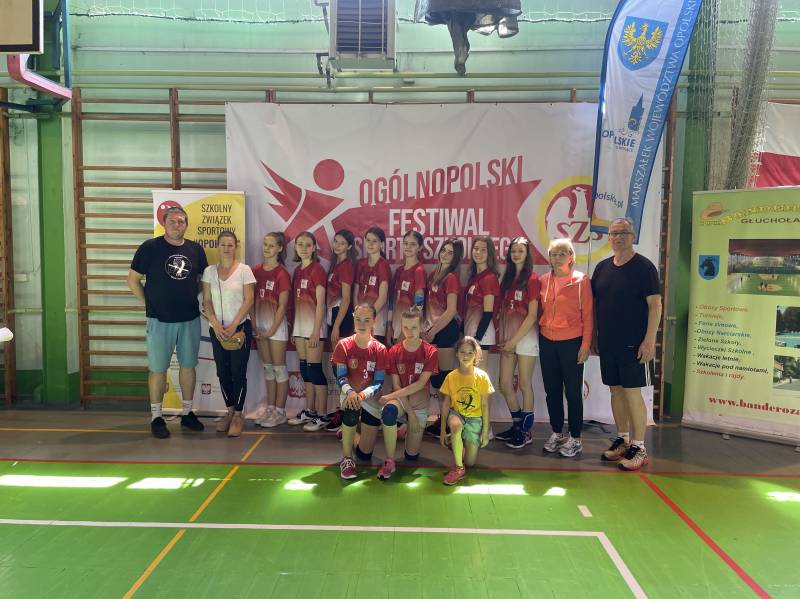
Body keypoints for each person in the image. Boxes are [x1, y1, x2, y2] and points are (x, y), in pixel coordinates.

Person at [128, 205, 207, 439]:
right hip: (159, 320)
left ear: (186, 225)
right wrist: (149, 304)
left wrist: (191, 296)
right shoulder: (149, 248)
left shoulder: (196, 250)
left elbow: (202, 280)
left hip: (189, 318)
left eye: (181, 221)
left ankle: (187, 413)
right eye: (172, 221)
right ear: (164, 223)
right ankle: (156, 417)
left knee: (188, 366)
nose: (177, 225)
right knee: (157, 370)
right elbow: (133, 280)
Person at [591, 217, 661, 471]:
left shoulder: (644, 268)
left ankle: (639, 448)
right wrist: (595, 337)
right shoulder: (601, 268)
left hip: (635, 345)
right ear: (608, 237)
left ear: (633, 236)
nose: (618, 237)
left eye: (623, 233)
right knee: (616, 391)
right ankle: (623, 440)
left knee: (632, 392)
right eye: (614, 233)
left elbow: (655, 305)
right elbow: (596, 306)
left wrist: (649, 340)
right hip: (609, 344)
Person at [538, 238, 593, 457]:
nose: (557, 257)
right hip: (546, 341)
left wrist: (585, 344)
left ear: (571, 256)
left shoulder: (581, 281)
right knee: (552, 390)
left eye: (562, 253)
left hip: (572, 342)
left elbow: (588, 316)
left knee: (572, 392)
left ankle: (575, 437)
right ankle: (557, 432)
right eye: (553, 254)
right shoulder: (543, 280)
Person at [201, 231, 256, 437]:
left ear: (236, 247)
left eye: (230, 245)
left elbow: (249, 300)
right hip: (217, 330)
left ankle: (239, 415)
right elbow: (207, 300)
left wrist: (234, 325)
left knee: (237, 372)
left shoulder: (244, 270)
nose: (226, 248)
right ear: (218, 246)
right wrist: (215, 323)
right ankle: (230, 411)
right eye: (223, 244)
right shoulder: (209, 272)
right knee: (222, 372)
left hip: (239, 329)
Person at [378, 309, 439, 479]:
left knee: (411, 457)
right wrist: (409, 413)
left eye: (414, 327)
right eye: (405, 327)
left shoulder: (430, 352)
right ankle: (389, 461)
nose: (409, 332)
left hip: (419, 404)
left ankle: (405, 428)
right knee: (388, 412)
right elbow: (396, 385)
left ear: (421, 327)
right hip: (400, 400)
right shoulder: (394, 351)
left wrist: (390, 397)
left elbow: (420, 384)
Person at [332, 303, 388, 479]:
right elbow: (341, 377)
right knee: (351, 406)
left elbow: (379, 382)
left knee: (365, 454)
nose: (362, 324)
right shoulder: (343, 345)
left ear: (374, 321)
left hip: (369, 396)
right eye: (358, 319)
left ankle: (347, 433)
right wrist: (350, 392)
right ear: (353, 319)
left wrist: (363, 394)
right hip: (350, 393)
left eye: (367, 320)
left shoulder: (380, 349)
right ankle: (347, 459)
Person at [496, 236, 541, 449]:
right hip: (508, 338)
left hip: (526, 338)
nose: (516, 254)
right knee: (505, 383)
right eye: (513, 251)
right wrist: (505, 338)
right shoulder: (507, 279)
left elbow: (532, 315)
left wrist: (514, 340)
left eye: (520, 251)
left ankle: (526, 431)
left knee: (524, 384)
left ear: (527, 254)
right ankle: (517, 425)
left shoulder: (532, 279)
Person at [288, 231, 329, 432]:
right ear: (295, 247)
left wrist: (316, 331)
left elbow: (321, 303)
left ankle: (322, 415)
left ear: (314, 248)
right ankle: (309, 411)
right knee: (305, 370)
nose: (303, 248)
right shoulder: (297, 270)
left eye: (307, 245)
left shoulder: (317, 270)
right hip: (300, 327)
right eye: (300, 244)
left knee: (315, 370)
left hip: (314, 328)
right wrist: (294, 329)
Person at [422, 239, 464, 435]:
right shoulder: (434, 275)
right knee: (437, 379)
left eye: (450, 253)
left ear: (456, 258)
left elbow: (450, 311)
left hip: (445, 331)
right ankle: (442, 420)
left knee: (443, 380)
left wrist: (432, 332)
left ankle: (449, 423)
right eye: (444, 250)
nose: (445, 255)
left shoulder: (451, 277)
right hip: (432, 331)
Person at [439, 336, 493, 485]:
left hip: (475, 420)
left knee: (470, 462)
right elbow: (446, 404)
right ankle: (458, 468)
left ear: (476, 355)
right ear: (457, 353)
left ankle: (458, 444)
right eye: (462, 352)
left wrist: (485, 432)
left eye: (470, 352)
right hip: (457, 415)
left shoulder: (482, 377)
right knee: (456, 425)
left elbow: (485, 406)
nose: (466, 356)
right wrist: (442, 430)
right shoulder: (451, 377)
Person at [252, 232, 291, 428]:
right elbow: (249, 301)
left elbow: (282, 306)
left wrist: (271, 330)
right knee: (268, 368)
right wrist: (254, 325)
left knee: (279, 368)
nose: (267, 248)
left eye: (271, 245)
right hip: (259, 327)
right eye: (265, 244)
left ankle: (280, 411)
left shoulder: (282, 274)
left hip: (276, 328)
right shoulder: (255, 271)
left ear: (280, 248)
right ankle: (270, 407)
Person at [387, 230, 427, 345]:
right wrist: (389, 326)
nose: (408, 247)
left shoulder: (419, 271)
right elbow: (392, 302)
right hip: (395, 328)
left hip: (409, 332)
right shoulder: (399, 271)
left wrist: (404, 331)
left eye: (413, 244)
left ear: (420, 247)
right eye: (406, 243)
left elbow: (419, 305)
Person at [353, 227, 392, 345]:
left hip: (376, 321)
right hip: (360, 320)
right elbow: (355, 293)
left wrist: (369, 316)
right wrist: (358, 315)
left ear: (382, 244)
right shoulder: (360, 264)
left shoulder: (383, 265)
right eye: (368, 240)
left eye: (374, 241)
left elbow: (383, 298)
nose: (370, 244)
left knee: (374, 354)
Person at [462, 235, 500, 350]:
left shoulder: (489, 278)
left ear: (489, 254)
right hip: (470, 331)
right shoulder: (474, 276)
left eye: (483, 250)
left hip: (482, 336)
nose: (478, 252)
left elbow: (488, 312)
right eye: (476, 248)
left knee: (479, 363)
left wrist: (477, 338)